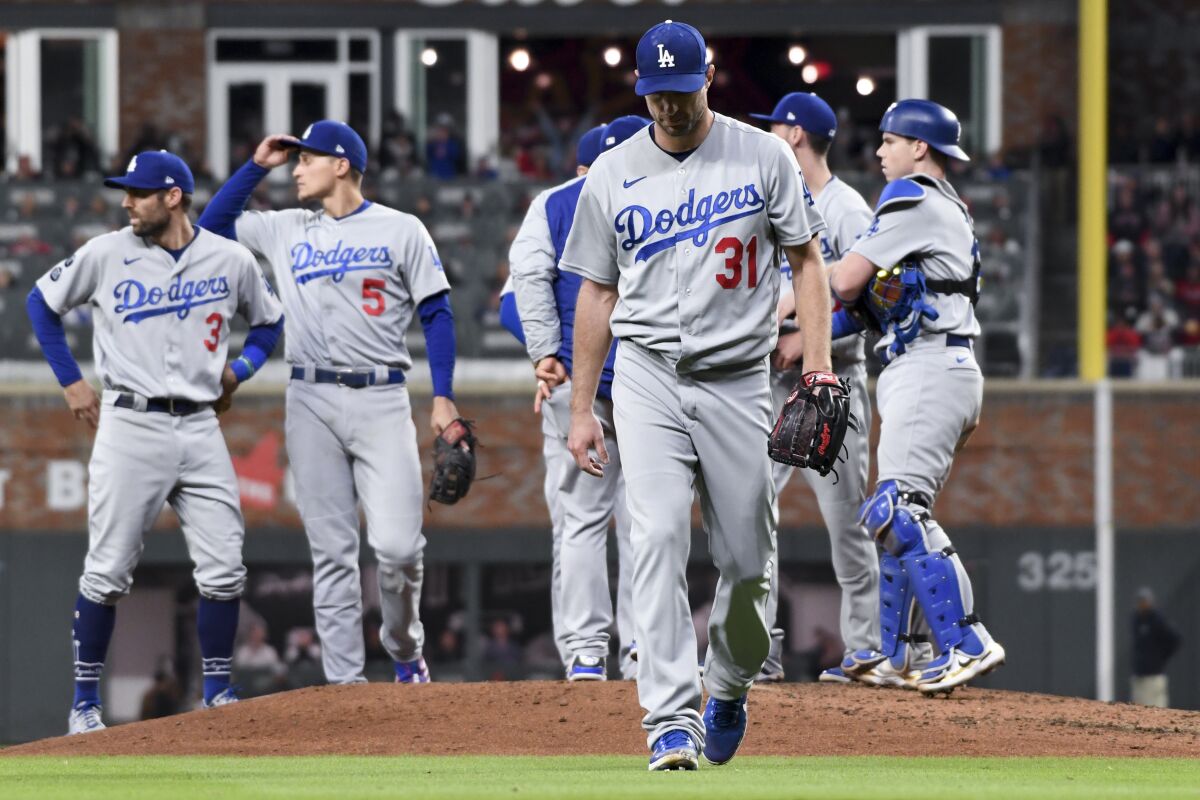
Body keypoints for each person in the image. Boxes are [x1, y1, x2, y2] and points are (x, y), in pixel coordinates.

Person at [561, 20, 832, 770]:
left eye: (681, 93)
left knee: (748, 565)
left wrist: (818, 367)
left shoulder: (763, 154)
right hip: (647, 375)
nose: (670, 109)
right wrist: (584, 408)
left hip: (739, 377)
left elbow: (807, 264)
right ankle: (668, 719)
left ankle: (730, 684)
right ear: (641, 90)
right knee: (652, 539)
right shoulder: (614, 171)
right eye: (657, 95)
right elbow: (595, 292)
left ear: (707, 78)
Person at [25, 150, 285, 734]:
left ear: (172, 197)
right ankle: (85, 704)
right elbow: (40, 302)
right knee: (107, 571)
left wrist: (240, 370)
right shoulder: (106, 252)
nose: (126, 202)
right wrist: (71, 382)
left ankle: (218, 691)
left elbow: (270, 320)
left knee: (224, 568)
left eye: (137, 192)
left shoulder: (229, 258)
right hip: (129, 423)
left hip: (199, 424)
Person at [197, 120, 462, 686]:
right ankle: (346, 685)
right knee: (333, 553)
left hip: (383, 397)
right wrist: (256, 165)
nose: (295, 169)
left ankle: (403, 647)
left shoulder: (401, 229)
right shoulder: (286, 228)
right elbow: (208, 227)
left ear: (340, 164)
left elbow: (438, 313)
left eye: (305, 160)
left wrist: (443, 397)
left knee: (396, 551)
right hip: (310, 396)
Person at [827, 98, 1005, 694]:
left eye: (890, 140)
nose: (880, 152)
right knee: (893, 515)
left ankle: (966, 641)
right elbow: (877, 305)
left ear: (919, 148)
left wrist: (799, 297)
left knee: (899, 511)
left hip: (930, 366)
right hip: (938, 364)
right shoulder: (945, 206)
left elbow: (845, 280)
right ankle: (900, 656)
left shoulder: (910, 197)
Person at [504, 119, 648, 682]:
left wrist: (546, 356)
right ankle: (640, 648)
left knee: (582, 522)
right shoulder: (656, 193)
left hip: (578, 381)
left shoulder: (556, 202)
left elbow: (520, 287)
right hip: (644, 382)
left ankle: (587, 652)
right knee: (645, 523)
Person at [748, 91, 882, 685]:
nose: (767, 132)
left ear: (796, 134)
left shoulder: (847, 209)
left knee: (848, 524)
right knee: (748, 513)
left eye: (774, 125)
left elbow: (874, 301)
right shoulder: (768, 203)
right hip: (768, 387)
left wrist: (807, 338)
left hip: (834, 383)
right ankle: (759, 650)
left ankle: (868, 652)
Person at [1131, 587, 1181, 707]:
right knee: (1138, 710)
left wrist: (1160, 658)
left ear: (1150, 601)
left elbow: (1175, 639)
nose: (1142, 604)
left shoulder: (1158, 619)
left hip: (1154, 676)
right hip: (1139, 674)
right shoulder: (1136, 619)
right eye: (1140, 601)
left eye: (1145, 600)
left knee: (1157, 709)